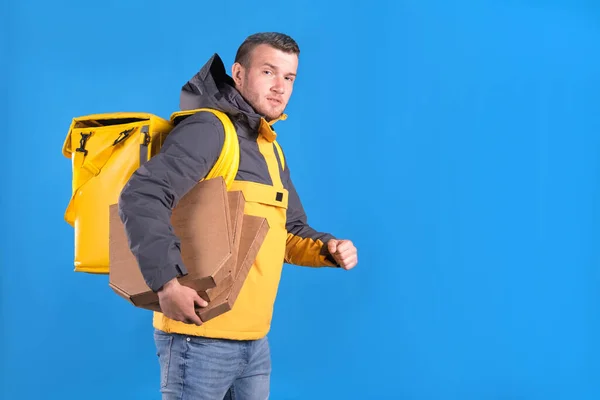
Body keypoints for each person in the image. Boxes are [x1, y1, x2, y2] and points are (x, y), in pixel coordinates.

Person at [118, 32, 358, 400]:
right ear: (239, 73)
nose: (280, 87)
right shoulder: (210, 130)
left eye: (289, 77)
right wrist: (166, 283)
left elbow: (289, 232)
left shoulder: (270, 148)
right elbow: (141, 194)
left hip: (255, 342)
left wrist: (329, 247)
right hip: (198, 340)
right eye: (268, 72)